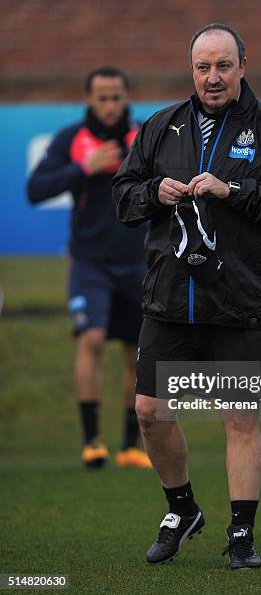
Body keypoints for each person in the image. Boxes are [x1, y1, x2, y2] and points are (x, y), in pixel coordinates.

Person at [112, 24, 261, 568]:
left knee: (240, 418)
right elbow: (123, 198)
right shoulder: (160, 127)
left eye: (224, 65)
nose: (213, 77)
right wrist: (153, 191)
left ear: (243, 66)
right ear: (191, 70)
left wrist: (234, 190)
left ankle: (242, 535)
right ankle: (182, 509)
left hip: (238, 299)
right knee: (150, 412)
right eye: (203, 67)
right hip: (170, 301)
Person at [27, 66, 151, 470]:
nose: (110, 105)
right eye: (102, 98)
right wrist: (85, 167)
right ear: (89, 100)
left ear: (126, 97)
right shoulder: (71, 140)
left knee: (136, 353)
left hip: (137, 261)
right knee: (92, 339)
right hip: (89, 262)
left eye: (117, 97)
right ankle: (92, 440)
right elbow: (35, 189)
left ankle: (132, 445)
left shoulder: (144, 136)